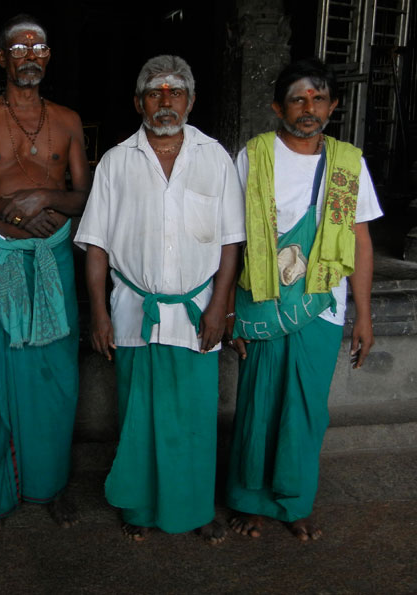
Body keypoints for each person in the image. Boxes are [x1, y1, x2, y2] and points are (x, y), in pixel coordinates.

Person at [75, 55, 245, 543]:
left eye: (175, 91)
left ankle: (192, 509)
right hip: (134, 310)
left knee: (193, 418)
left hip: (197, 312)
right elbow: (97, 246)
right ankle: (140, 507)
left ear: (190, 100)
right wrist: (100, 313)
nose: (165, 100)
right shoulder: (115, 161)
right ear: (138, 102)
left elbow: (232, 241)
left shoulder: (214, 156)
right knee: (138, 416)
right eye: (155, 92)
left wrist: (220, 306)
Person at [225, 57, 382, 541]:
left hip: (323, 303)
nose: (308, 106)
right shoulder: (254, 155)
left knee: (306, 407)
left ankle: (293, 502)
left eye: (317, 98)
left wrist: (364, 315)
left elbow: (359, 240)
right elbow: (231, 237)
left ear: (333, 106)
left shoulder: (348, 164)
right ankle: (250, 500)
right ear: (278, 107)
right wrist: (228, 308)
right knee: (258, 404)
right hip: (261, 301)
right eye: (297, 98)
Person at [0, 13, 90, 530]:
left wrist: (47, 197)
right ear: (1, 58)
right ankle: (2, 485)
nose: (29, 55)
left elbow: (85, 195)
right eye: (18, 48)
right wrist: (6, 208)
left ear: (48, 56)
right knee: (2, 380)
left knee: (56, 380)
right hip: (0, 259)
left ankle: (51, 486)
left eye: (38, 47)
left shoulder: (69, 120)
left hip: (52, 260)